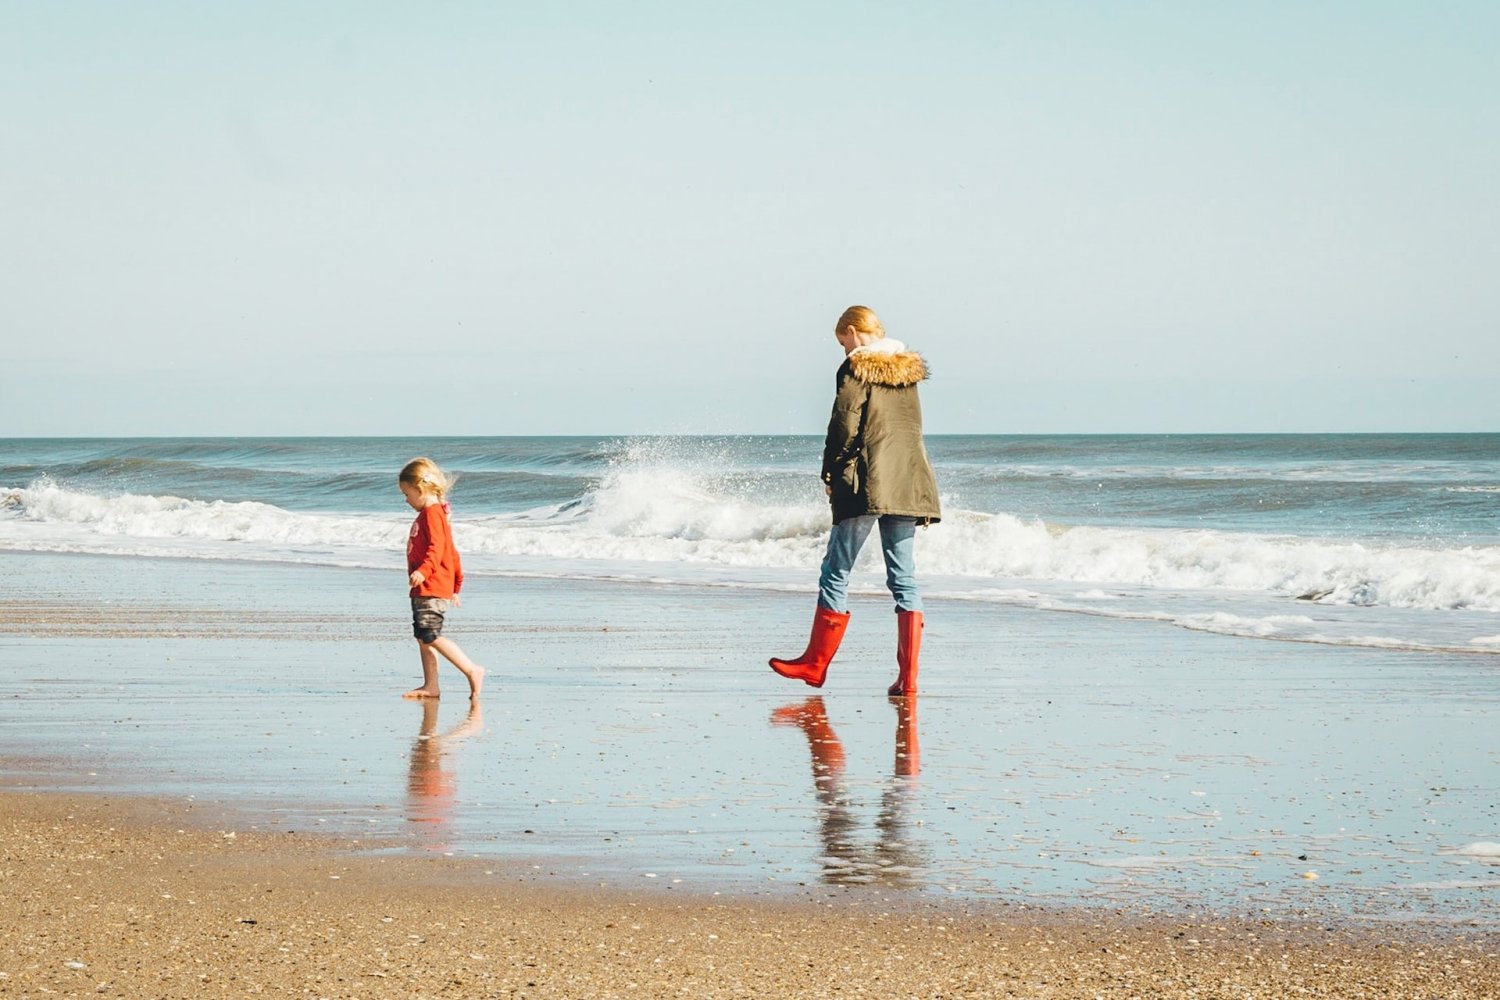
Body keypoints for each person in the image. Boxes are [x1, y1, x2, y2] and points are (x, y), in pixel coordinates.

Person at [769, 305, 940, 695]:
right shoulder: (906, 371)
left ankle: (815, 664)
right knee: (904, 578)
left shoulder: (856, 367)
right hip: (909, 480)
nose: (843, 349)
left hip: (867, 480)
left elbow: (845, 423)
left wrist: (830, 472)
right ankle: (908, 679)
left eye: (842, 340)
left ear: (852, 331)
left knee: (836, 567)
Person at [399, 457, 485, 700]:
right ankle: (431, 685)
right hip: (427, 587)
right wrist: (456, 584)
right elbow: (452, 552)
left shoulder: (432, 514)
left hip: (431, 585)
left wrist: (424, 571)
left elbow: (437, 549)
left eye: (407, 494)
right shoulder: (435, 513)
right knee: (423, 637)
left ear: (420, 489)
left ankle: (471, 669)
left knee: (430, 634)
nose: (406, 500)